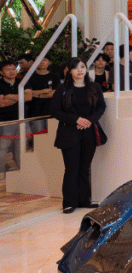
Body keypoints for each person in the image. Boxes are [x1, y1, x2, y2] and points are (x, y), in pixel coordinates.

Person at [49, 58, 106, 214]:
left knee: (84, 168)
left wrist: (89, 120)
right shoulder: (62, 88)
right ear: (69, 71)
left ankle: (84, 200)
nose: (80, 70)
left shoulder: (94, 87)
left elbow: (101, 107)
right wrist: (76, 120)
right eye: (75, 67)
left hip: (89, 131)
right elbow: (54, 111)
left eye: (82, 67)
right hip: (69, 132)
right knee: (71, 168)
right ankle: (69, 202)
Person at [0, 59, 30, 172]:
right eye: (8, 69)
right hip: (5, 121)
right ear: (1, 72)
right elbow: (1, 103)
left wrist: (8, 96)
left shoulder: (22, 82)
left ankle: (21, 170)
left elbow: (29, 97)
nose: (12, 71)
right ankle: (1, 172)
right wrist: (21, 97)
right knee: (3, 148)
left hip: (22, 120)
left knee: (20, 147)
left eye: (13, 69)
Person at [27, 55, 59, 137]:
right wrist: (43, 92)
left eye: (44, 60)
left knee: (52, 136)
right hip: (34, 111)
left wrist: (36, 94)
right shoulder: (29, 76)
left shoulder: (55, 76)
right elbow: (27, 93)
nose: (41, 62)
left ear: (49, 62)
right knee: (38, 137)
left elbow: (53, 94)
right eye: (39, 60)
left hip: (51, 110)